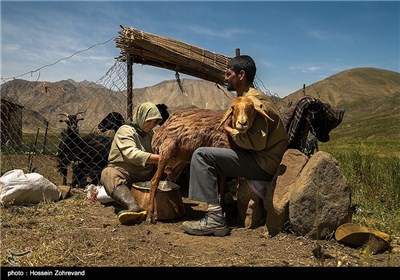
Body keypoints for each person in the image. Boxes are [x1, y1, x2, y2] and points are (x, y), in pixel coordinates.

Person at [182, 55, 288, 236]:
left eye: (228, 73)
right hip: (260, 159)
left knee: (201, 155)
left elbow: (257, 142)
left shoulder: (253, 102)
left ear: (241, 75)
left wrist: (229, 130)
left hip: (263, 163)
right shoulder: (245, 98)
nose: (225, 78)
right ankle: (227, 203)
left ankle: (214, 219)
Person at [100, 102, 163, 225]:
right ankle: (133, 206)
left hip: (146, 174)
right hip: (124, 172)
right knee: (108, 174)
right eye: (148, 121)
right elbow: (131, 154)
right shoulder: (125, 131)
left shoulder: (151, 134)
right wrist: (160, 158)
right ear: (140, 117)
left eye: (154, 122)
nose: (151, 125)